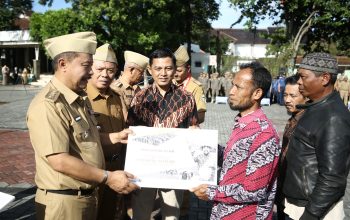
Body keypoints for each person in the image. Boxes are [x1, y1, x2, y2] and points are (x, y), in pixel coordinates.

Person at [26, 32, 138, 220]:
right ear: (63, 65)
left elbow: (88, 139)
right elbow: (59, 160)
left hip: (84, 198)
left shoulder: (77, 99)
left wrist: (116, 137)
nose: (92, 72)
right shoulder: (48, 105)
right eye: (86, 66)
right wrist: (108, 178)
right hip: (64, 203)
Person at [190, 61, 281, 219]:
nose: (231, 92)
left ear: (257, 94)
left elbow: (253, 190)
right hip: (224, 213)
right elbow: (232, 159)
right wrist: (202, 141)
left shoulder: (263, 134)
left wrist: (211, 192)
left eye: (238, 87)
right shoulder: (243, 123)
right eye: (232, 85)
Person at [127, 48, 199, 220]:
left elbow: (194, 127)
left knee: (171, 216)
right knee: (140, 215)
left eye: (168, 68)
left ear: (175, 69)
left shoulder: (187, 98)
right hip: (143, 170)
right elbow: (130, 130)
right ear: (150, 70)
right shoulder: (140, 98)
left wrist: (195, 133)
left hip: (173, 169)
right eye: (158, 68)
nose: (163, 73)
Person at [283, 52, 350, 220]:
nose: (298, 81)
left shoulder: (333, 117)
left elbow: (333, 179)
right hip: (298, 206)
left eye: (303, 77)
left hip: (314, 211)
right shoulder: (315, 107)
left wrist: (310, 215)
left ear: (325, 78)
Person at [85, 43, 130, 220]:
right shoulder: (81, 98)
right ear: (90, 68)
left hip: (116, 168)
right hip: (93, 170)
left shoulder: (117, 96)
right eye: (100, 69)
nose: (105, 75)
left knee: (110, 214)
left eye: (110, 70)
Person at [275, 75, 307, 220]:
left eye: (293, 96)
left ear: (306, 96)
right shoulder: (293, 119)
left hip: (298, 197)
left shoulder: (308, 123)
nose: (287, 100)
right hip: (283, 191)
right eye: (285, 95)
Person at [110, 50, 149, 118]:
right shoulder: (116, 89)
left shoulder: (136, 88)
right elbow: (124, 117)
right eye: (141, 72)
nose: (142, 76)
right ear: (132, 70)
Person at [173, 45, 206, 123]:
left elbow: (201, 116)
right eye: (173, 70)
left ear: (188, 68)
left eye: (179, 71)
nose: (175, 74)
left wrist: (181, 122)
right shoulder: (170, 83)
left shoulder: (195, 86)